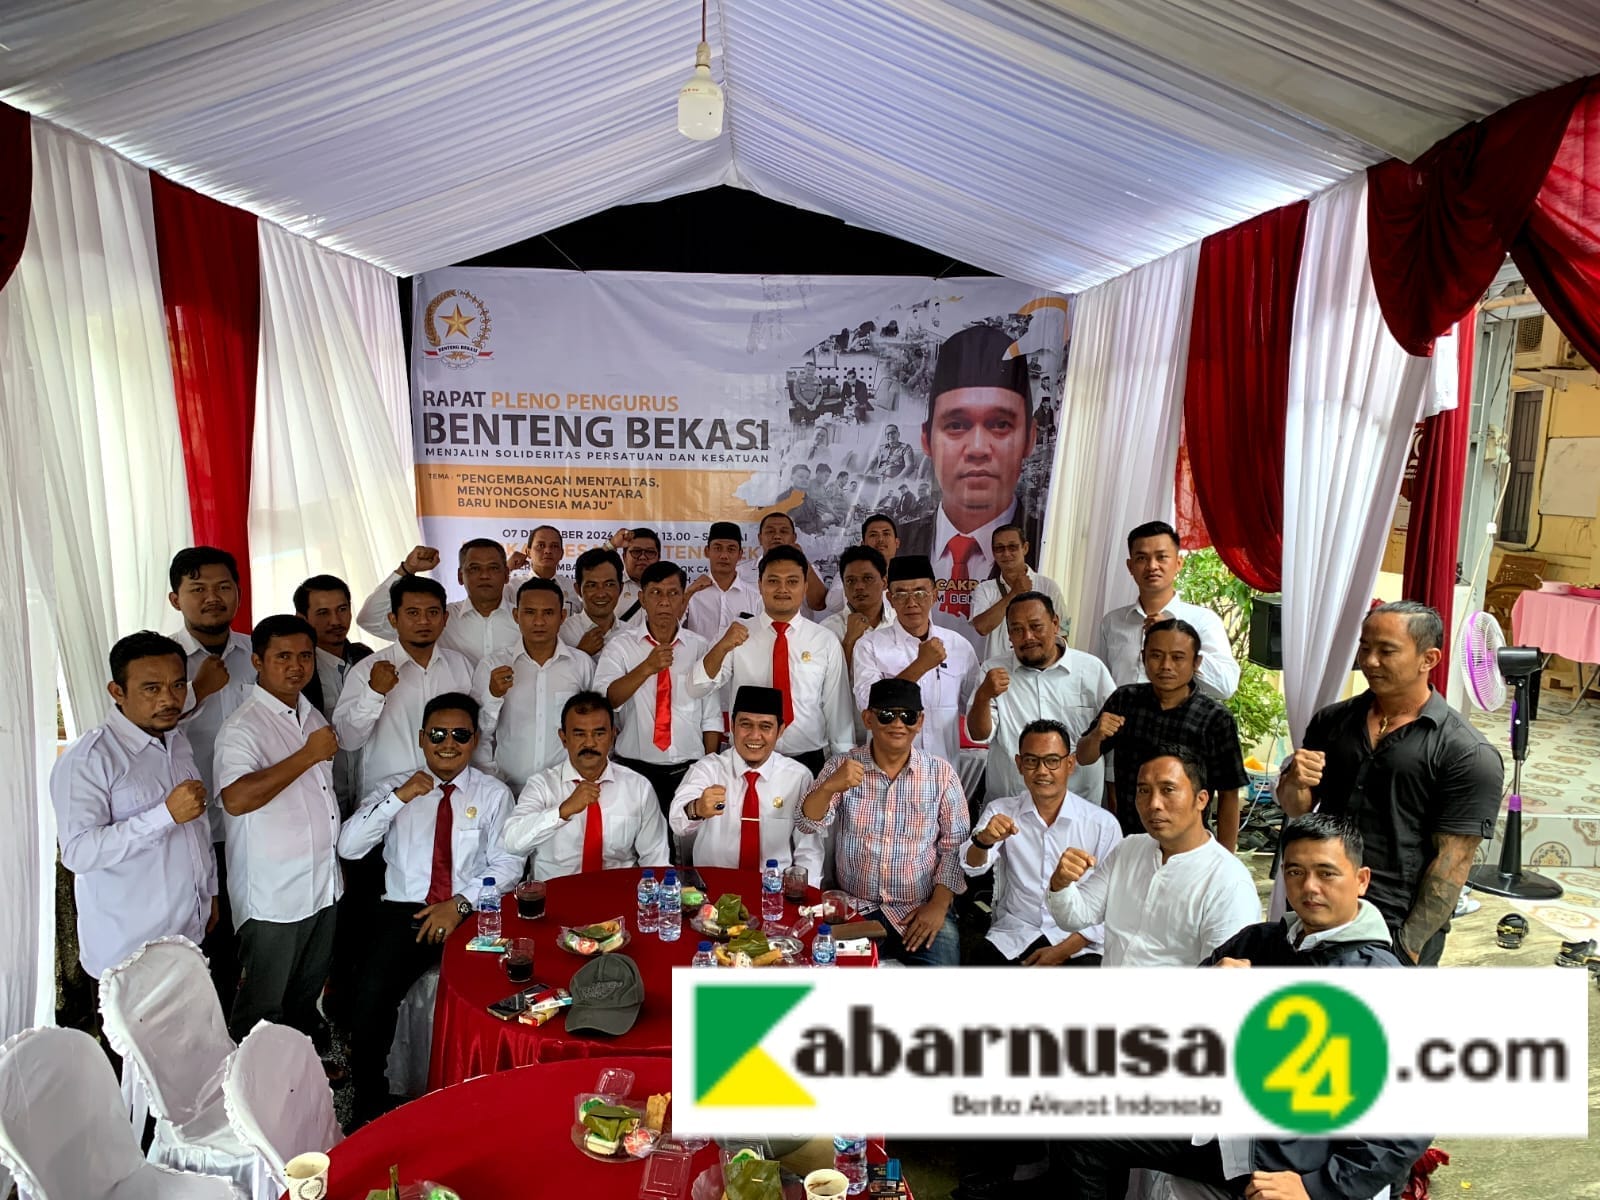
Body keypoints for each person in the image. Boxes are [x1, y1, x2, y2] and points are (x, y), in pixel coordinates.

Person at [1061, 815, 1430, 1200]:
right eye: (1295, 872)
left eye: (1326, 873)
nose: (1310, 887)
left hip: (1294, 1159)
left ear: (1361, 880)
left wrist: (1318, 1187)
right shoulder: (1263, 942)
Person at [1274, 600, 1504, 965]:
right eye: (1365, 648)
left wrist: (1407, 948)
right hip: (1317, 908)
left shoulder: (1466, 753)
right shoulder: (1332, 721)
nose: (1370, 661)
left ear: (1428, 659)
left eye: (1387, 651)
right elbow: (1297, 809)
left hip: (1394, 924)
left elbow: (1453, 861)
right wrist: (1294, 780)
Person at [337, 693, 523, 1122]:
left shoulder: (493, 794)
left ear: (474, 740)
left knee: (497, 998)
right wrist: (400, 799)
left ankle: (485, 1099)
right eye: (437, 734)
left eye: (460, 734)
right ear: (422, 738)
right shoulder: (395, 787)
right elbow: (349, 845)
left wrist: (459, 905)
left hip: (471, 909)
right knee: (369, 1003)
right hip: (404, 911)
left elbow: (508, 863)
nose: (448, 743)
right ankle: (372, 1104)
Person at [52, 631, 218, 980]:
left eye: (177, 685)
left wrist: (208, 892)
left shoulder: (176, 741)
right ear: (117, 692)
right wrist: (164, 816)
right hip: (128, 953)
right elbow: (78, 853)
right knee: (132, 1037)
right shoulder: (90, 758)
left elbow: (196, 828)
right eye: (151, 688)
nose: (168, 699)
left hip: (189, 933)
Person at [214, 614, 341, 1042]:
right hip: (275, 895)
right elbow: (236, 798)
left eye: (304, 656)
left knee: (305, 995)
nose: (296, 666)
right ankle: (254, 1097)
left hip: (321, 885)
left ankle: (299, 1079)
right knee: (262, 1009)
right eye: (282, 656)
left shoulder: (310, 715)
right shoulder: (242, 728)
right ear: (257, 661)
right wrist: (307, 755)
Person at [798, 679, 969, 966]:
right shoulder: (842, 766)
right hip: (854, 908)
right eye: (887, 715)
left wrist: (938, 906)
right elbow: (807, 822)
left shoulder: (941, 774)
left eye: (908, 715)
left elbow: (955, 845)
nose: (898, 723)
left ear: (920, 721)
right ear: (868, 718)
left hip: (920, 908)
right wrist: (829, 786)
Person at [1046, 748, 1261, 967]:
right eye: (1144, 790)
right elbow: (1075, 917)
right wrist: (1061, 884)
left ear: (1201, 800)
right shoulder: (1129, 849)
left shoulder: (1228, 882)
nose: (1153, 804)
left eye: (1168, 789)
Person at [896, 324, 1044, 614]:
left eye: (1000, 424)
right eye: (956, 425)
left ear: (1030, 438)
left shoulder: (1045, 543)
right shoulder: (898, 546)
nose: (977, 449)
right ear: (927, 439)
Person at [1077, 618, 1248, 849]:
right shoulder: (1125, 700)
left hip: (1187, 845)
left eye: (1178, 657)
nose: (1166, 665)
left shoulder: (1215, 719)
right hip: (1129, 840)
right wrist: (1097, 734)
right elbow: (1083, 757)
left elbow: (1229, 793)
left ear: (1196, 662)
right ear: (1143, 656)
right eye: (1156, 655)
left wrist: (1225, 858)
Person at [964, 720, 1121, 966]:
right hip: (1015, 933)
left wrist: (1060, 952)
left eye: (1052, 761)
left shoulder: (1102, 825)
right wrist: (983, 841)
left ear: (1069, 764)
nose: (1042, 771)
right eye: (1031, 761)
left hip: (1078, 943)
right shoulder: (1002, 811)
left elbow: (1113, 905)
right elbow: (972, 866)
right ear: (1019, 764)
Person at [168, 546, 253, 998]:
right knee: (202, 945)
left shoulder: (260, 655)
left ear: (238, 594)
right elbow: (144, 734)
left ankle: (252, 1045)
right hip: (194, 830)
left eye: (223, 587)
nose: (212, 597)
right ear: (175, 598)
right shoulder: (162, 664)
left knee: (251, 940)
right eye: (197, 589)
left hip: (254, 825)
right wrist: (195, 691)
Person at [690, 545, 854, 775]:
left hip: (808, 759)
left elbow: (838, 710)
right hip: (748, 758)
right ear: (760, 585)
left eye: (792, 581)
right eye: (774, 581)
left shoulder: (824, 640)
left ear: (805, 586)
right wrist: (722, 646)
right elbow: (697, 687)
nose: (783, 589)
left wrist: (841, 765)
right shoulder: (737, 634)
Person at [595, 561, 722, 819]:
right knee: (638, 849)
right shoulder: (621, 647)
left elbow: (711, 715)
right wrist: (646, 668)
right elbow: (606, 701)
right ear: (642, 598)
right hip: (633, 771)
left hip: (688, 771)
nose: (664, 602)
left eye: (673, 593)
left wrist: (709, 768)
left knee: (686, 850)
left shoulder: (699, 647)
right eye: (655, 593)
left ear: (683, 599)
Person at [501, 692, 672, 879]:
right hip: (556, 895)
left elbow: (656, 859)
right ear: (564, 738)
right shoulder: (542, 785)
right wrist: (562, 811)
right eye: (579, 734)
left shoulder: (638, 787)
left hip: (619, 895)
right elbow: (512, 842)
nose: (590, 743)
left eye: (599, 733)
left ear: (613, 735)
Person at [333, 576, 475, 799]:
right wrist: (374, 692)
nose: (423, 621)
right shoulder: (366, 670)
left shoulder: (461, 666)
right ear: (393, 619)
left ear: (445, 618)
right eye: (412, 613)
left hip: (451, 798)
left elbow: (474, 732)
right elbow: (347, 740)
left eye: (433, 612)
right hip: (387, 800)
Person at [968, 591, 1114, 808]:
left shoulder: (1091, 670)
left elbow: (1111, 736)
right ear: (1009, 634)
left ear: (1055, 623)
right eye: (1017, 630)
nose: (1027, 637)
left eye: (1036, 626)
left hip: (1079, 807)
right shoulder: (993, 670)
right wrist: (983, 695)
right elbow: (979, 735)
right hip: (1012, 808)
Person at [669, 686, 822, 877]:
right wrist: (697, 808)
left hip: (774, 892)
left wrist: (805, 896)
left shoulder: (798, 777)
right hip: (713, 886)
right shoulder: (708, 769)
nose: (754, 735)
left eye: (765, 726)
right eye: (745, 724)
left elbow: (809, 850)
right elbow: (677, 822)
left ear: (780, 730)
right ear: (732, 726)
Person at [852, 555, 981, 766]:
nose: (911, 603)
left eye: (920, 593)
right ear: (890, 599)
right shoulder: (869, 646)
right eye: (901, 594)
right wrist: (921, 665)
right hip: (889, 773)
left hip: (944, 772)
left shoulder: (959, 646)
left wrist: (987, 693)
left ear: (934, 596)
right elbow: (868, 705)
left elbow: (973, 709)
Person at [472, 577, 594, 794]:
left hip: (566, 791)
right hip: (506, 790)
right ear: (516, 616)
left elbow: (595, 727)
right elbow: (478, 732)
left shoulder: (581, 664)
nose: (539, 622)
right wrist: (493, 695)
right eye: (530, 612)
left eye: (548, 613)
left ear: (562, 617)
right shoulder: (493, 665)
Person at [1095, 520, 1239, 700]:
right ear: (1130, 567)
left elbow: (1226, 687)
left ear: (1179, 563)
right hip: (1124, 725)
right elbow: (1097, 682)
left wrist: (1178, 639)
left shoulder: (1203, 620)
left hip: (1179, 726)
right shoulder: (1113, 622)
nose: (1152, 566)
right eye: (1142, 558)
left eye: (1161, 557)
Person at [356, 541, 521, 664]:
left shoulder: (527, 620)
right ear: (459, 576)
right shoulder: (438, 619)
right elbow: (370, 620)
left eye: (493, 568)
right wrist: (407, 569)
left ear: (506, 574)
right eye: (474, 568)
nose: (484, 575)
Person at [293, 573, 374, 816]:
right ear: (302, 618)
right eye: (323, 613)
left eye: (342, 609)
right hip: (320, 800)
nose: (335, 620)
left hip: (369, 795)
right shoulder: (297, 672)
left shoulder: (366, 659)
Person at [968, 523, 1065, 661]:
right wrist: (1014, 593)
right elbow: (982, 628)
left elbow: (1062, 634)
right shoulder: (985, 589)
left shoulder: (1048, 586)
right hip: (1000, 672)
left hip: (1038, 670)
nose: (1006, 554)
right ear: (993, 552)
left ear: (1025, 548)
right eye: (1000, 548)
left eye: (1012, 547)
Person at [820, 545, 897, 670]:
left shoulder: (899, 623)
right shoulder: (827, 630)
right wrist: (849, 641)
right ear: (844, 587)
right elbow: (823, 682)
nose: (859, 587)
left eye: (867, 578)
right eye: (851, 581)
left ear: (884, 583)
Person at [684, 521, 762, 639]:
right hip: (699, 657)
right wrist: (688, 594)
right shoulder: (691, 593)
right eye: (718, 548)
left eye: (731, 549)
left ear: (740, 554)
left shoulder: (755, 597)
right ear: (707, 551)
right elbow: (673, 626)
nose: (724, 555)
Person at [818, 513, 901, 616]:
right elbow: (832, 604)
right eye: (873, 535)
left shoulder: (910, 575)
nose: (880, 539)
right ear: (863, 544)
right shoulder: (850, 571)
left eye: (886, 534)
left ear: (897, 543)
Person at [560, 546, 635, 656]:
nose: (601, 594)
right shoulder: (562, 634)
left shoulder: (632, 635)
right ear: (577, 589)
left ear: (621, 588)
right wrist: (581, 653)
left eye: (609, 585)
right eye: (592, 585)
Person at [611, 526, 661, 622]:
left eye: (650, 552)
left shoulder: (668, 589)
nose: (642, 557)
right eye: (636, 551)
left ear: (659, 558)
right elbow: (591, 571)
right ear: (624, 557)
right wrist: (612, 545)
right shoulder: (611, 585)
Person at [526, 524, 579, 613]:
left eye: (554, 546)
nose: (548, 551)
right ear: (528, 552)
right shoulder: (512, 588)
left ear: (561, 553)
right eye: (541, 545)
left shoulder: (574, 589)